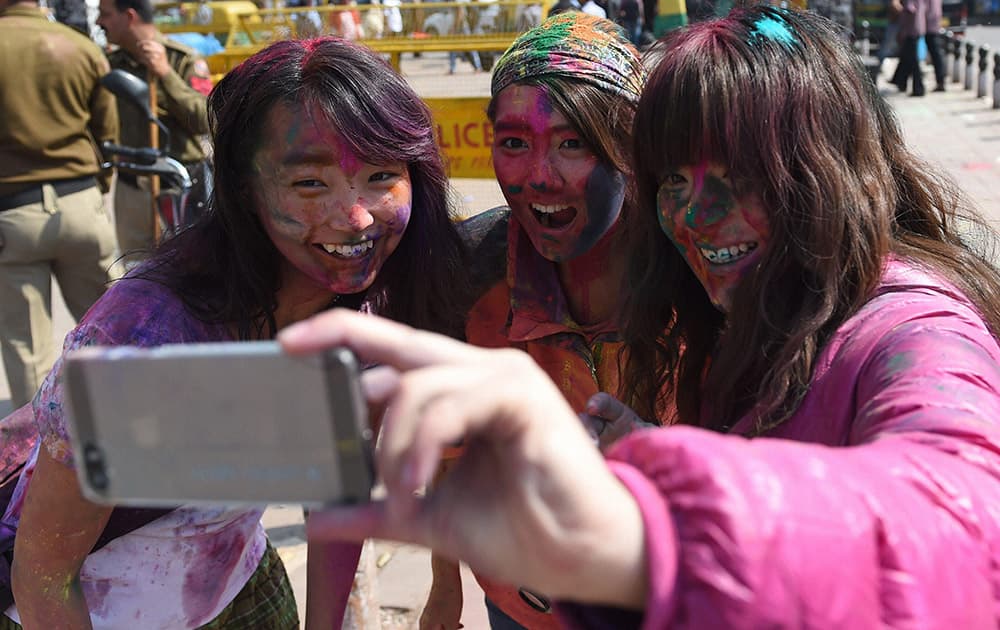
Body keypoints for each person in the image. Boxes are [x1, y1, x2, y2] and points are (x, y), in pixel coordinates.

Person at [287, 6, 1000, 627]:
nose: (697, 212)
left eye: (742, 175)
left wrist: (645, 526)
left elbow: (963, 520)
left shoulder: (905, 323)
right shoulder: (730, 288)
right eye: (675, 179)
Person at [1, 36, 469, 629]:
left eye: (381, 175)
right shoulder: (141, 343)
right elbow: (43, 577)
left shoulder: (367, 312)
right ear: (246, 189)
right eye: (309, 184)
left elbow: (337, 496)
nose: (355, 217)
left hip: (246, 594)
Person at [424, 13, 647, 630]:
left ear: (629, 146)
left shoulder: (693, 267)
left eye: (572, 143)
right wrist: (446, 584)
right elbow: (451, 447)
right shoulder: (469, 272)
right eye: (515, 143)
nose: (538, 177)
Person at [0, 0, 120, 411]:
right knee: (112, 331)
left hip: (11, 213)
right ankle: (129, 423)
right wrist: (98, 188)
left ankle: (36, 459)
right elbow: (108, 131)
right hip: (81, 202)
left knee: (27, 352)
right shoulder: (81, 47)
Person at [96, 0, 213, 265]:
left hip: (179, 184)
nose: (97, 23)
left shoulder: (182, 59)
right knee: (135, 269)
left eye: (105, 15)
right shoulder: (110, 65)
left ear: (129, 16)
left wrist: (166, 75)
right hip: (132, 183)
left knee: (191, 267)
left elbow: (205, 119)